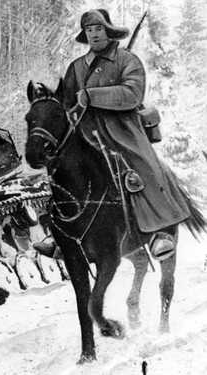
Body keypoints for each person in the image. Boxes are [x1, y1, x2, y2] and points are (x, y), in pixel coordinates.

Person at [61, 9, 191, 257]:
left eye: (98, 28)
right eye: (89, 30)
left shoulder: (128, 60)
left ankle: (159, 232)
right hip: (86, 133)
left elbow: (132, 95)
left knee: (143, 168)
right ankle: (61, 235)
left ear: (108, 31)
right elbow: (67, 103)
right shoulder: (76, 67)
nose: (94, 34)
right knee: (63, 172)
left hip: (122, 131)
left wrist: (92, 96)